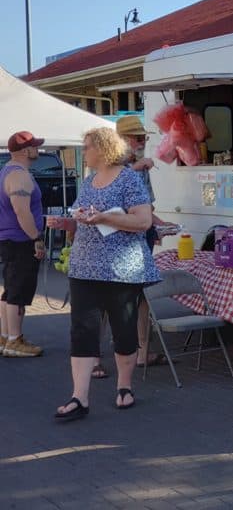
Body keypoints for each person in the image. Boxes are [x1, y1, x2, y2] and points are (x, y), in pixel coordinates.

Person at [47, 127, 160, 422]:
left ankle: (124, 387)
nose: (84, 152)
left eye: (87, 147)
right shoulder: (88, 181)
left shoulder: (129, 179)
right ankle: (79, 397)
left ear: (103, 148)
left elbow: (144, 221)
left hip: (121, 270)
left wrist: (105, 216)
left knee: (124, 330)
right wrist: (67, 223)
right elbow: (83, 217)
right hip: (84, 267)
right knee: (82, 330)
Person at [115, 115, 174, 370]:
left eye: (143, 138)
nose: (141, 142)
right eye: (137, 138)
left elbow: (147, 208)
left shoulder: (142, 167)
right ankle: (95, 359)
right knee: (111, 300)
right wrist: (134, 169)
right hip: (118, 242)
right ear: (120, 141)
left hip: (142, 239)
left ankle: (142, 352)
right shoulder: (105, 165)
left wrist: (160, 224)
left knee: (142, 297)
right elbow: (109, 205)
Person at [0, 131, 46, 358]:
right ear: (26, 150)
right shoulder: (19, 176)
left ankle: (7, 337)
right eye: (35, 146)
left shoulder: (10, 172)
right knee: (18, 290)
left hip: (12, 240)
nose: (38, 149)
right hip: (20, 240)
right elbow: (21, 211)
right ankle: (14, 340)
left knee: (11, 290)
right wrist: (36, 238)